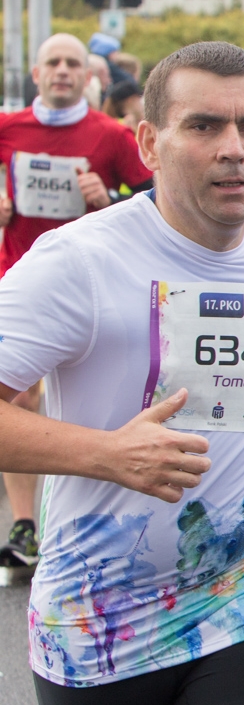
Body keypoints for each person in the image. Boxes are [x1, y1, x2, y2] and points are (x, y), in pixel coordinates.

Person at [0, 40, 244, 705]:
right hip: (100, 600)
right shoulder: (77, 261)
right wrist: (106, 454)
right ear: (149, 143)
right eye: (204, 126)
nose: (235, 149)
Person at [0, 33, 154, 571]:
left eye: (72, 63)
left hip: (95, 288)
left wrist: (106, 198)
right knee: (19, 397)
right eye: (53, 63)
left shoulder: (110, 135)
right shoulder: (9, 128)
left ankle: (87, 515)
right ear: (36, 74)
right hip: (18, 276)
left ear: (87, 78)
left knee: (87, 401)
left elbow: (155, 199)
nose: (62, 71)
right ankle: (25, 524)